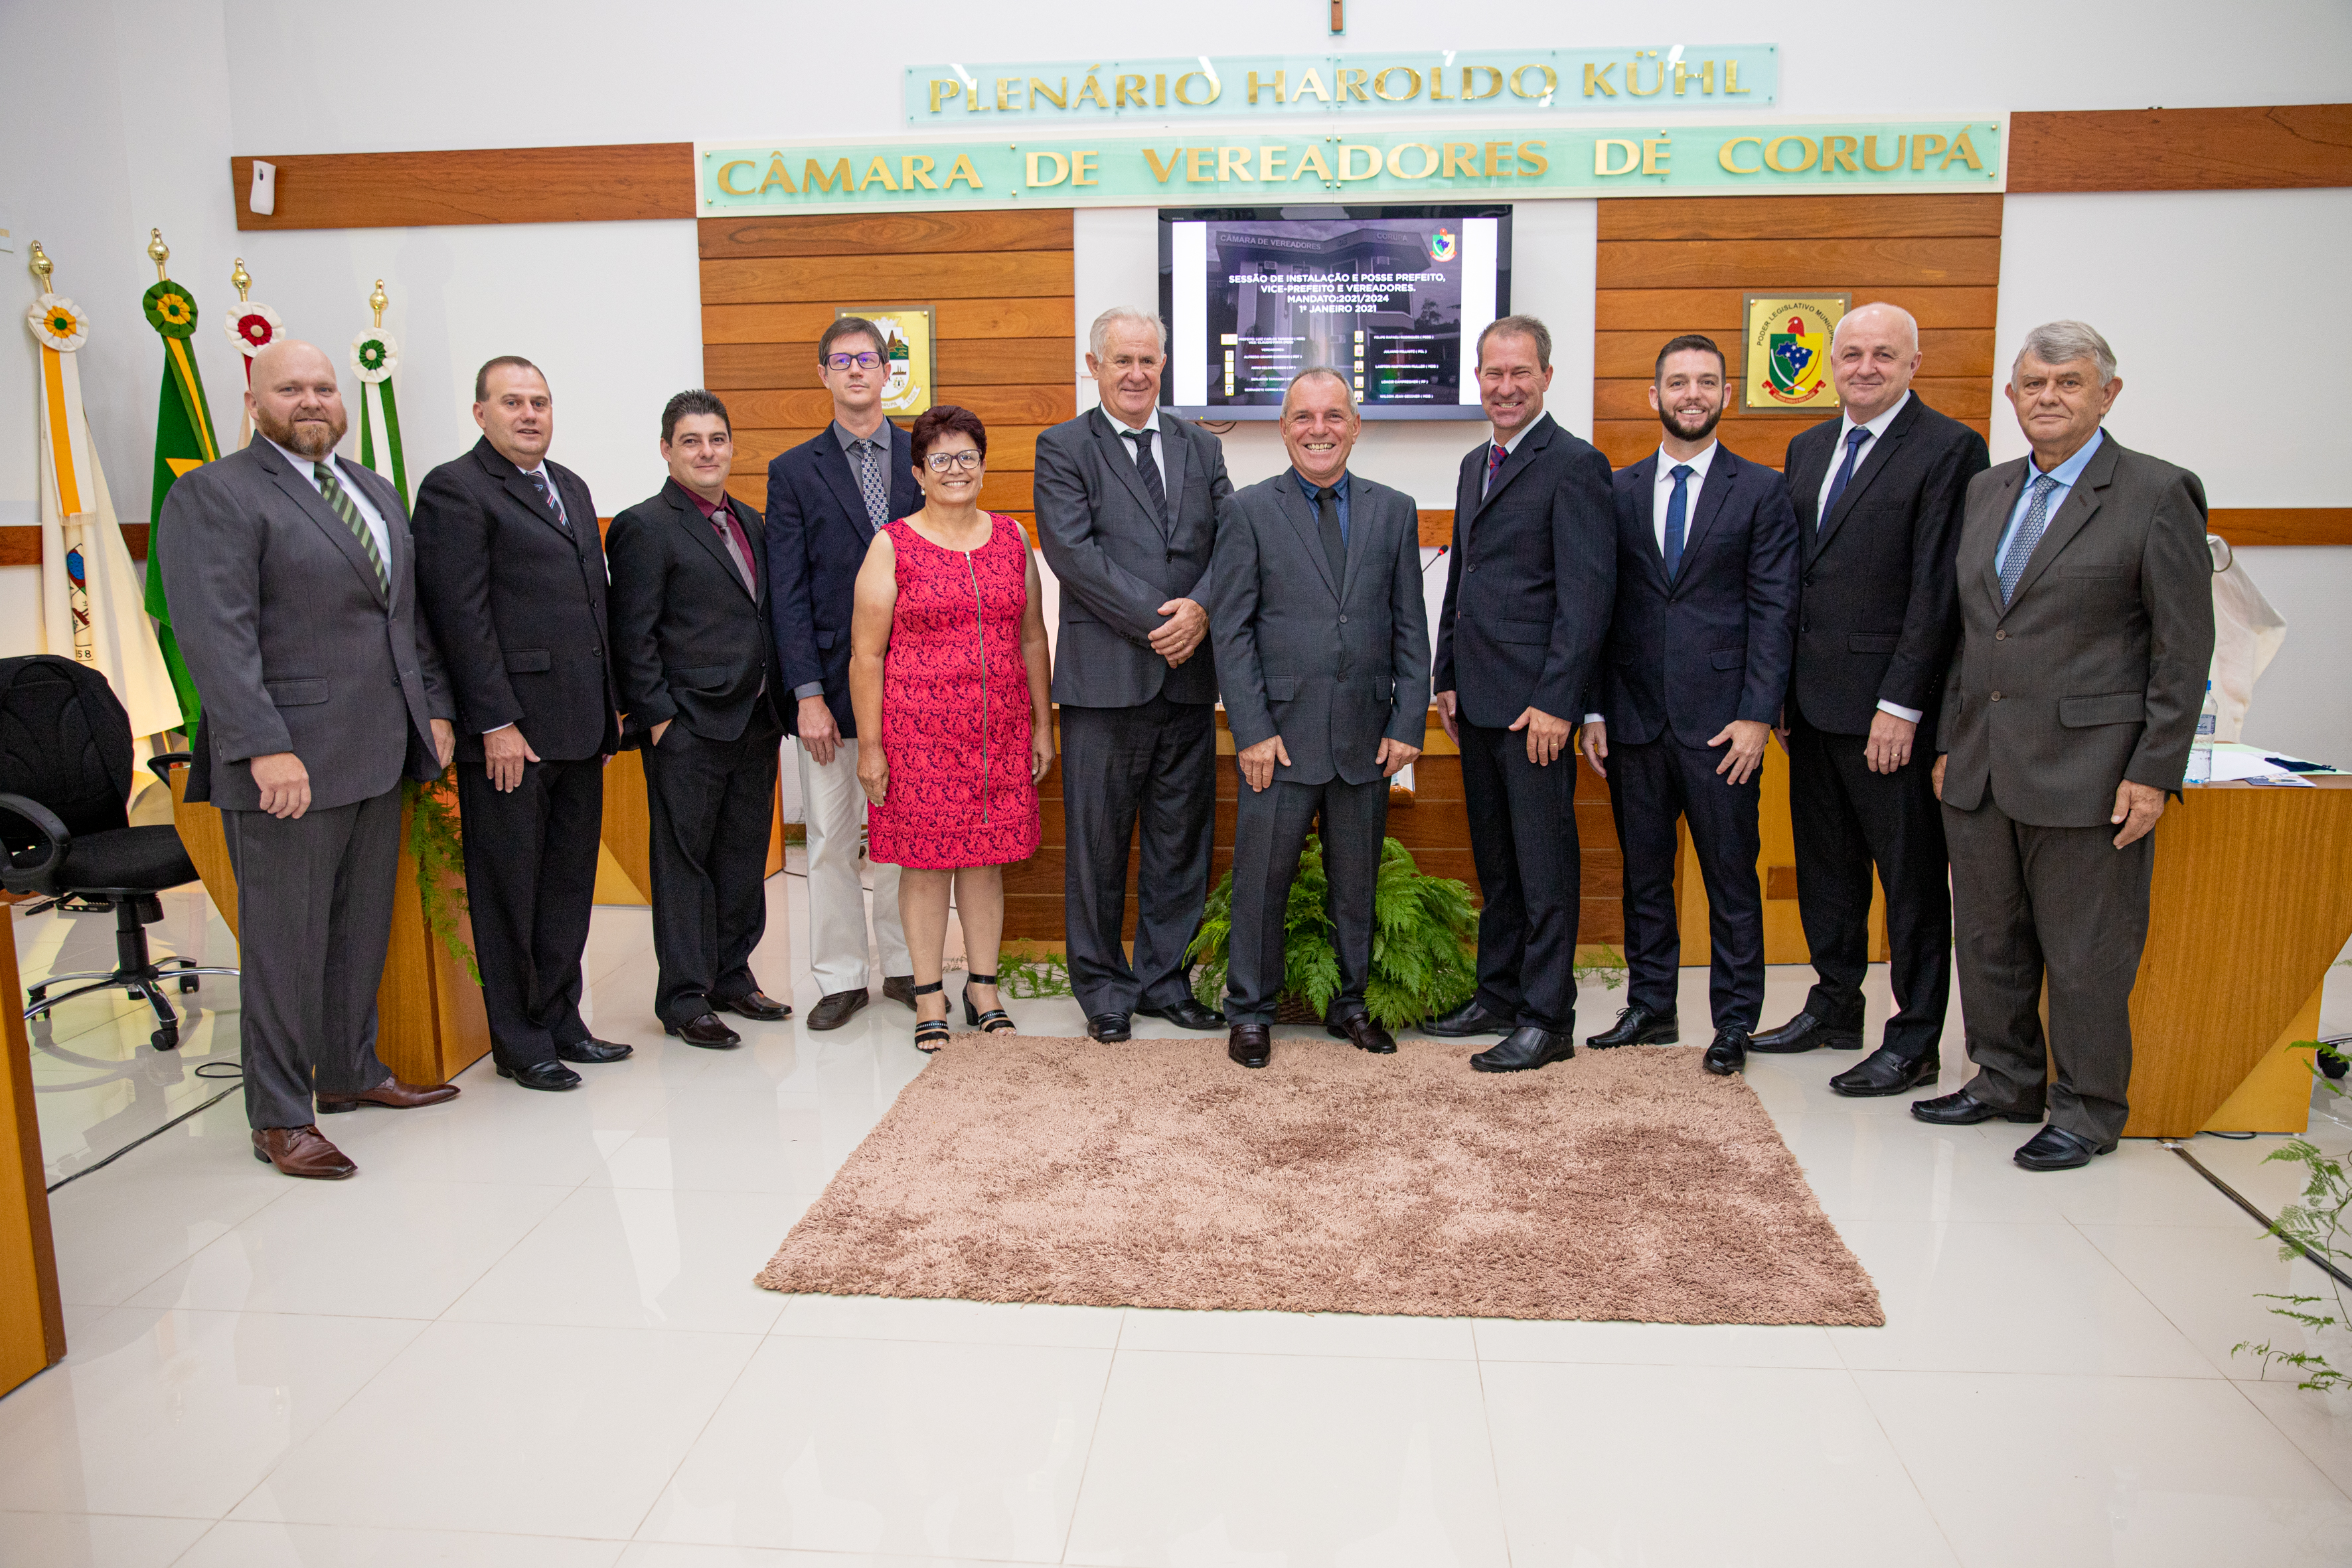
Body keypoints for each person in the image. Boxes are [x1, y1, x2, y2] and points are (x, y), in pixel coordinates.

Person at [160, 339, 458, 1179]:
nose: (313, 400)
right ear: (253, 399)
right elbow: (215, 638)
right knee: (286, 944)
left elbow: (405, 617)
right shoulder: (213, 495)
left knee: (358, 932)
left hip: (378, 749)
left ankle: (351, 1073)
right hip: (288, 764)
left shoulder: (371, 488)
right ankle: (280, 1116)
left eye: (325, 387)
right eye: (291, 388)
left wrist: (432, 708)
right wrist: (264, 746)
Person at [1919, 321, 2213, 1170]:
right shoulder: (1990, 490)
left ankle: (2086, 1108)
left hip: (2091, 771)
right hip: (1980, 761)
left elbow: (2181, 649)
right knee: (1987, 936)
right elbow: (1975, 634)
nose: (2048, 398)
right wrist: (1949, 741)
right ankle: (2004, 1078)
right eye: (2034, 384)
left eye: (2069, 383)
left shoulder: (2157, 494)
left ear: (2107, 395)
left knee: (2086, 952)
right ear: (2011, 397)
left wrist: (2154, 772)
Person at [1749, 303, 1990, 1098]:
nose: (1864, 367)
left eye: (1883, 355)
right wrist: (1777, 690)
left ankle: (1915, 1036)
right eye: (1850, 354)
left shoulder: (1950, 449)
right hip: (1811, 706)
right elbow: (1792, 579)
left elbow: (1936, 590)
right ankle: (1834, 1004)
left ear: (1913, 364)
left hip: (1888, 713)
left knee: (1911, 880)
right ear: (1830, 363)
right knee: (1827, 869)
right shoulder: (1809, 446)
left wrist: (1904, 704)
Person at [1580, 335, 1797, 1077]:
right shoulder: (1618, 488)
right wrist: (1596, 711)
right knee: (1645, 876)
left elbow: (1775, 609)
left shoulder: (1763, 490)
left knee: (1731, 880)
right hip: (1634, 721)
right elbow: (1600, 609)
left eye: (1707, 381)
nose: (1692, 394)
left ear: (1726, 395)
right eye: (1678, 382)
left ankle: (1734, 1022)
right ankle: (1652, 1007)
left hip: (1723, 726)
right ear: (1655, 396)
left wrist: (1758, 714)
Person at [411, 356, 630, 1092]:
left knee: (568, 885)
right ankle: (518, 1040)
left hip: (579, 726)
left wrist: (609, 713)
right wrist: (495, 722)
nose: (530, 413)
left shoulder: (568, 484)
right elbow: (458, 618)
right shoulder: (455, 490)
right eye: (512, 402)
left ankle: (562, 1020)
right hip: (513, 737)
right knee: (510, 891)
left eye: (539, 401)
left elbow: (592, 605)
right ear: (481, 413)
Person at [1209, 370, 1427, 1069]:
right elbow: (1232, 631)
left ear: (1355, 426)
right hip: (1279, 741)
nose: (1319, 428)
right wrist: (1251, 728)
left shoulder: (1394, 510)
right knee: (1261, 883)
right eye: (1304, 416)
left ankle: (1352, 1005)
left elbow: (1410, 627)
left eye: (1334, 415)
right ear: (1284, 427)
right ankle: (1250, 1010)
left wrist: (1408, 721)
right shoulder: (1248, 510)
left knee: (1357, 882)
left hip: (1366, 736)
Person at [1034, 307, 1231, 1043]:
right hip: (1106, 681)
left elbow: (1230, 538)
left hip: (1188, 681)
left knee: (1181, 841)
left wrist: (1204, 609)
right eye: (1122, 361)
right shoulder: (1062, 447)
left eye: (1149, 361)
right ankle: (1102, 986)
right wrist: (1166, 624)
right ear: (1094, 366)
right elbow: (1074, 557)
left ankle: (1163, 979)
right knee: (1097, 844)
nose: (1137, 374)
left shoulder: (1197, 447)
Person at [1429, 315, 1614, 1073]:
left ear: (1545, 378)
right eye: (1493, 374)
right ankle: (1499, 991)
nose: (1505, 387)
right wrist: (1445, 673)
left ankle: (1548, 1018)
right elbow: (1462, 579)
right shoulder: (1478, 462)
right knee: (1498, 863)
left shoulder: (1575, 463)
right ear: (1479, 379)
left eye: (1520, 373)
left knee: (1545, 869)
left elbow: (1588, 597)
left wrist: (1558, 701)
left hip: (1535, 708)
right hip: (1475, 699)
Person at [848, 405, 1054, 1053]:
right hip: (919, 738)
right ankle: (930, 993)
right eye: (941, 459)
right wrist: (873, 747)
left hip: (999, 734)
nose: (956, 469)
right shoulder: (893, 543)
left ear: (984, 466)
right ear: (919, 472)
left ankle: (984, 987)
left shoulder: (1012, 538)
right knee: (927, 867)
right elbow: (866, 655)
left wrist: (1042, 727)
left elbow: (1031, 636)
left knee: (987, 864)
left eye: (967, 456)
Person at [605, 390, 792, 1048]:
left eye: (717, 439)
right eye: (691, 441)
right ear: (666, 449)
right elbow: (633, 633)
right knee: (685, 863)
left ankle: (732, 976)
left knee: (742, 857)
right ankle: (685, 996)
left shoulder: (753, 521)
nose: (706, 451)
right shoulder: (643, 526)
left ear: (732, 447)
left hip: (755, 720)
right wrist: (658, 717)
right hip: (686, 725)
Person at [765, 318, 923, 1030]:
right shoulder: (794, 471)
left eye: (869, 358)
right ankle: (837, 977)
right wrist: (806, 695)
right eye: (842, 359)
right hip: (830, 687)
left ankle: (901, 965)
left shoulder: (924, 458)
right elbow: (788, 591)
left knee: (900, 837)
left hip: (915, 684)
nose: (857, 370)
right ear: (822, 372)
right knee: (831, 838)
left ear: (888, 371)